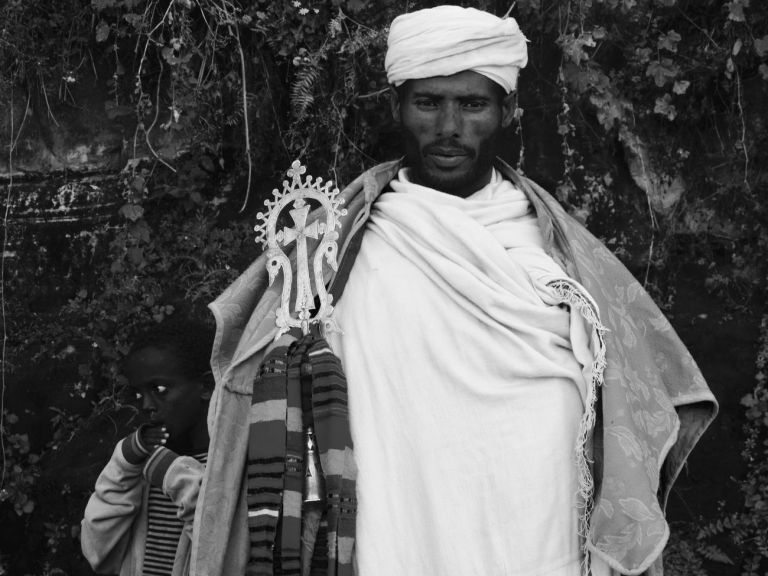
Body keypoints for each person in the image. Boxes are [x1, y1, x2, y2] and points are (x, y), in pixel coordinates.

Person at [192, 6, 717, 576]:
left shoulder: (563, 250)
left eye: (472, 104)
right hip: (393, 519)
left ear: (507, 111)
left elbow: (635, 387)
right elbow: (259, 377)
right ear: (398, 107)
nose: (448, 127)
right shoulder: (336, 246)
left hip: (537, 518)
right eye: (428, 103)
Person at [81, 318, 215, 576]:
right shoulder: (142, 463)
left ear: (206, 386)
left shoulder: (231, 462)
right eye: (140, 393)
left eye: (160, 389)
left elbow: (220, 552)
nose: (146, 406)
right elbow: (98, 554)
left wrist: (174, 474)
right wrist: (124, 463)